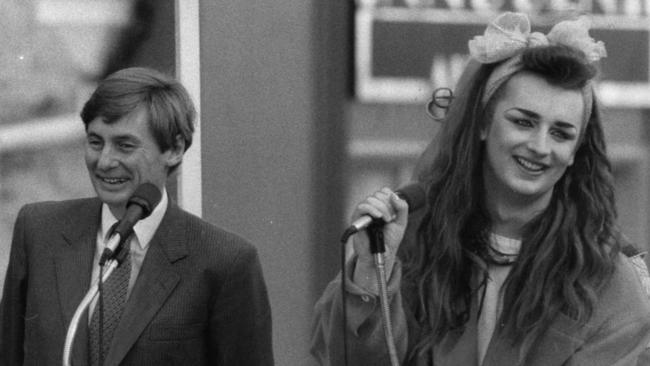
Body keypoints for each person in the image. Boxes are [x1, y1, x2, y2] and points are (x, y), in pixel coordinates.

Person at [311, 12, 650, 366]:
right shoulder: (411, 237)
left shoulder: (607, 279)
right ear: (483, 123)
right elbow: (342, 360)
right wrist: (371, 270)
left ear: (575, 153)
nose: (539, 145)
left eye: (561, 133)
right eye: (523, 122)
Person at [0, 67, 274, 365]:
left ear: (174, 148)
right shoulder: (40, 231)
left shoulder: (224, 260)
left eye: (125, 145)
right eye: (95, 142)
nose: (104, 161)